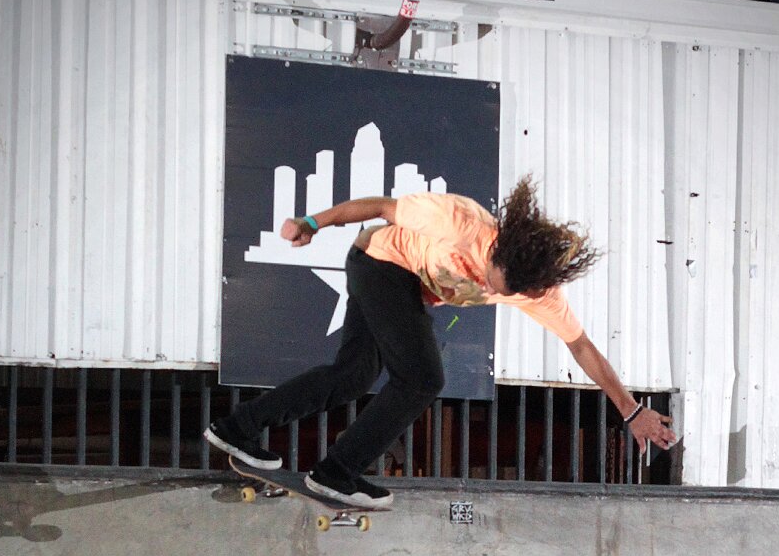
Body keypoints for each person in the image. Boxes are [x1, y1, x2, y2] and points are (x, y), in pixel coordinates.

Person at [206, 178, 675, 510]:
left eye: (506, 291)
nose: (492, 289)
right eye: (494, 280)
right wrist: (312, 222)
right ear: (497, 249)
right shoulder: (459, 221)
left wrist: (632, 411)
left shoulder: (538, 290)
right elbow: (379, 207)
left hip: (401, 285)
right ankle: (335, 473)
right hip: (380, 260)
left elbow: (582, 347)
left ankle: (236, 428)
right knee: (422, 379)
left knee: (353, 376)